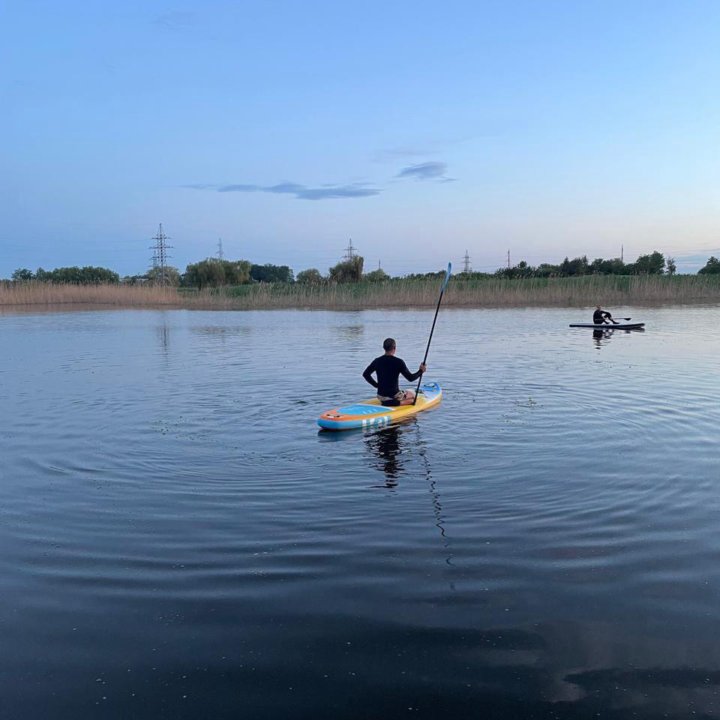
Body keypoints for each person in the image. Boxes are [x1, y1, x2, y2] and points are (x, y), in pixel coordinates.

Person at [362, 338, 427, 406]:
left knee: (405, 393)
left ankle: (389, 401)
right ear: (394, 348)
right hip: (395, 396)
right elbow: (410, 378)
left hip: (381, 396)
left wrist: (376, 385)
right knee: (413, 396)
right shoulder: (399, 362)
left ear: (384, 348)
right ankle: (399, 403)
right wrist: (421, 371)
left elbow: (366, 374)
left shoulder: (377, 361)